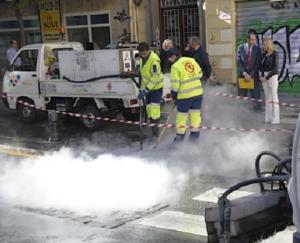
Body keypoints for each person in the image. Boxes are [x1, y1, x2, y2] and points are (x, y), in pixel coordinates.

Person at [167, 48, 204, 143]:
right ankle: (194, 140)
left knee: (181, 117)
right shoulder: (191, 60)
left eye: (169, 58)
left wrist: (174, 96)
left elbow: (175, 85)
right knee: (195, 116)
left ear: (174, 56)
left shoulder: (175, 67)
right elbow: (200, 74)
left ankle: (179, 140)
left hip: (185, 96)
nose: (169, 60)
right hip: (198, 94)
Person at [137, 42, 164, 137]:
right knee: (149, 111)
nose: (143, 55)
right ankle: (153, 133)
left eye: (144, 53)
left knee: (154, 111)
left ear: (148, 50)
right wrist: (141, 90)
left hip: (155, 89)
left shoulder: (154, 60)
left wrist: (147, 89)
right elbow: (144, 77)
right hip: (147, 90)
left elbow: (155, 77)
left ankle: (156, 135)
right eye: (141, 53)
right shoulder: (142, 60)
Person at [237, 29, 261, 111]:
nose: (254, 41)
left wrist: (251, 75)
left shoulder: (257, 50)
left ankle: (256, 113)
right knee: (242, 97)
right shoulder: (240, 48)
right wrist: (244, 73)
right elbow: (239, 63)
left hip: (253, 77)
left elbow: (257, 64)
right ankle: (242, 113)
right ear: (248, 39)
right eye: (252, 39)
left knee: (255, 97)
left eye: (255, 39)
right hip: (243, 76)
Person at [260, 38, 280, 124]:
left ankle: (275, 119)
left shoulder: (275, 54)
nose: (263, 45)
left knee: (274, 97)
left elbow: (275, 68)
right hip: (265, 77)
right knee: (267, 98)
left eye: (264, 44)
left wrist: (266, 77)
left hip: (272, 77)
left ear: (268, 44)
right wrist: (261, 76)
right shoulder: (264, 54)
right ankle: (268, 118)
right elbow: (261, 66)